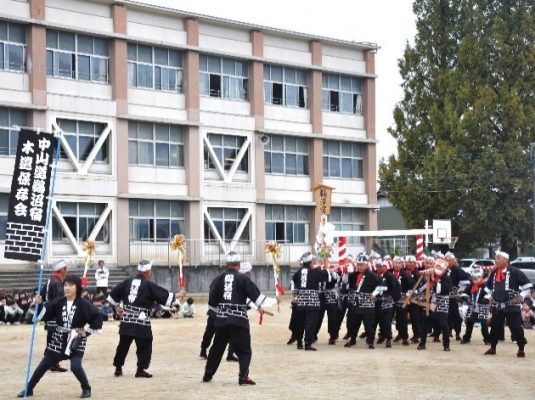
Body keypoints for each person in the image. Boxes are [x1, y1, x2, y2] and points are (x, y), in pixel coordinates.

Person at [17, 275, 102, 398]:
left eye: (71, 285)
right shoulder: (58, 301)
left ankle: (86, 388)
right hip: (59, 337)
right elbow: (44, 313)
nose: (67, 288)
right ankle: (29, 388)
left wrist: (86, 331)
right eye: (65, 285)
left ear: (77, 287)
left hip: (76, 338)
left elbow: (96, 318)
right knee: (44, 365)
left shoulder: (84, 304)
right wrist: (40, 303)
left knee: (76, 366)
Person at [203, 251, 277, 385]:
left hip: (221, 319)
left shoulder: (218, 279)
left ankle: (208, 374)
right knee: (244, 350)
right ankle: (243, 377)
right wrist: (274, 301)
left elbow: (212, 303)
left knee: (216, 349)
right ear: (238, 265)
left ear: (227, 264)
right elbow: (258, 299)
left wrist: (219, 315)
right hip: (238, 319)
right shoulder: (243, 279)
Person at [108, 260, 184, 378]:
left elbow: (112, 295)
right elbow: (163, 296)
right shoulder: (148, 285)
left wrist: (118, 307)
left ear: (139, 270)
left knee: (123, 344)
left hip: (127, 320)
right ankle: (140, 369)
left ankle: (118, 368)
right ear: (148, 271)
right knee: (145, 344)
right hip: (141, 321)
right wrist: (179, 294)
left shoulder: (127, 282)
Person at [484, 251, 533, 357]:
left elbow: (527, 285)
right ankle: (493, 348)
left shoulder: (515, 271)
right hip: (498, 305)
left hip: (512, 306)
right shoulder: (495, 272)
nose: (495, 260)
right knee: (495, 328)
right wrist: (490, 297)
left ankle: (521, 349)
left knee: (516, 327)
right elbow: (488, 287)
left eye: (498, 258)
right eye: (495, 258)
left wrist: (521, 296)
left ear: (506, 260)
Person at [292, 252, 329, 351]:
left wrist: (295, 292)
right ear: (310, 262)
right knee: (310, 323)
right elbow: (326, 276)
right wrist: (326, 267)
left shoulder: (299, 272)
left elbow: (293, 281)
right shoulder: (315, 272)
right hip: (312, 301)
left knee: (300, 322)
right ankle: (308, 343)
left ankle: (299, 343)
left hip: (301, 301)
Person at [416, 259, 453, 351]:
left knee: (443, 324)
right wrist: (418, 293)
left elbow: (444, 291)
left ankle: (446, 345)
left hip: (442, 302)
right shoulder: (431, 275)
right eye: (437, 267)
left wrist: (434, 281)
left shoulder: (447, 278)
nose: (439, 269)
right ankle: (422, 343)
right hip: (431, 301)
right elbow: (423, 287)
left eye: (441, 267)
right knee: (425, 322)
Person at [345, 254, 379, 349]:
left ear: (367, 265)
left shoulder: (372, 275)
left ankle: (370, 341)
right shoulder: (353, 275)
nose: (360, 267)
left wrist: (374, 294)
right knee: (353, 323)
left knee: (369, 324)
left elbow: (380, 286)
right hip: (355, 303)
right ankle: (352, 339)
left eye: (362, 265)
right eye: (358, 264)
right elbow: (348, 286)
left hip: (367, 304)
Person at [42, 260, 69, 373]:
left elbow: (43, 294)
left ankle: (52, 362)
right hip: (55, 314)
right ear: (61, 269)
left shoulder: (50, 280)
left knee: (52, 338)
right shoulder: (57, 282)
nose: (67, 271)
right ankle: (51, 361)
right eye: (66, 268)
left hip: (49, 312)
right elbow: (60, 299)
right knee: (55, 339)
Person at [373, 259, 401, 348]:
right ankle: (382, 335)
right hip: (378, 301)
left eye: (380, 266)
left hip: (387, 302)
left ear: (385, 267)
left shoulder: (389, 275)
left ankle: (388, 338)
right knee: (379, 320)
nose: (378, 268)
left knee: (387, 321)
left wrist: (391, 295)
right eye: (377, 266)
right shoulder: (375, 275)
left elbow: (396, 287)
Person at [460, 267, 490, 344]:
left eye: (478, 277)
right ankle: (466, 338)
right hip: (472, 306)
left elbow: (490, 294)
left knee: (484, 323)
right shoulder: (471, 285)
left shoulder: (485, 285)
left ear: (481, 277)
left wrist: (484, 300)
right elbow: (464, 293)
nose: (476, 279)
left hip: (482, 307)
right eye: (474, 278)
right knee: (469, 321)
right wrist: (467, 299)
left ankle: (487, 339)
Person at [392, 256, 414, 345]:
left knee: (402, 318)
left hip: (402, 299)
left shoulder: (405, 274)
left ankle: (404, 337)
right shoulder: (390, 273)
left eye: (399, 263)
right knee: (391, 318)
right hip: (390, 299)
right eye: (395, 263)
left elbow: (412, 285)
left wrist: (407, 296)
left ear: (402, 264)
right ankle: (397, 334)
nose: (397, 265)